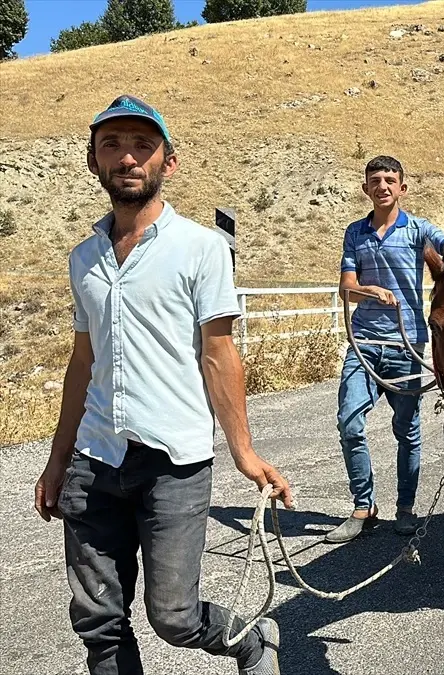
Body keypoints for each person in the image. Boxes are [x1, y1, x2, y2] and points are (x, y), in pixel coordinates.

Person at [33, 94, 294, 675]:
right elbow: (84, 362)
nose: (127, 157)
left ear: (167, 162)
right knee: (98, 622)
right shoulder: (83, 259)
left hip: (173, 461)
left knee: (173, 615)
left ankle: (249, 638)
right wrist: (56, 461)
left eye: (142, 146)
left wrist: (244, 452)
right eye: (112, 145)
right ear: (94, 161)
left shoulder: (201, 248)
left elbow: (219, 354)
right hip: (94, 460)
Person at [326, 155, 444, 543]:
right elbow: (346, 288)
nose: (382, 185)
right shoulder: (355, 233)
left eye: (389, 179)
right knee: (349, 422)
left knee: (407, 430)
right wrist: (369, 290)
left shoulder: (416, 229)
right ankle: (363, 507)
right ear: (366, 188)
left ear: (402, 187)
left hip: (406, 344)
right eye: (375, 180)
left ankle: (405, 509)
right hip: (364, 344)